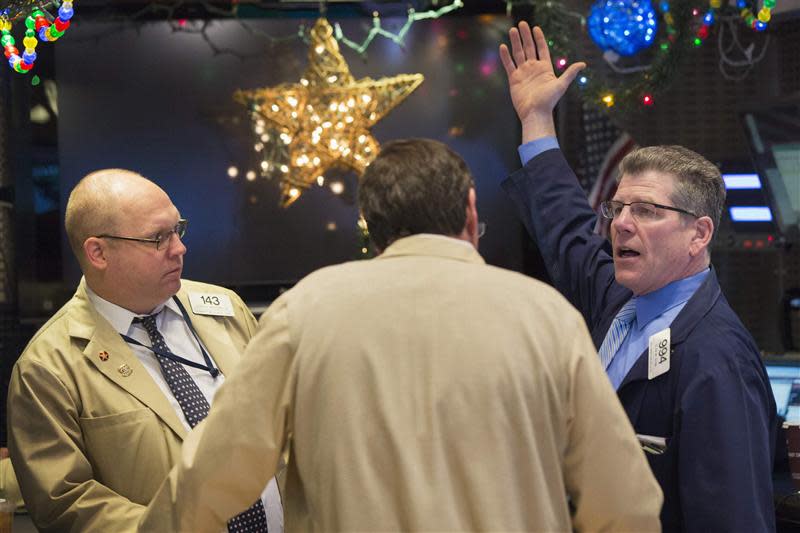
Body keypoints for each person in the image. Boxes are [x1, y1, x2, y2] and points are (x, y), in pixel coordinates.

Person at [137, 138, 662, 532]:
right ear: (471, 210)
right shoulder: (547, 316)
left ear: (371, 225)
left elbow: (209, 479)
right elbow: (624, 503)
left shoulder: (302, 313)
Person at [499, 21, 777, 531]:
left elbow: (732, 518)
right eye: (618, 207)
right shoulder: (619, 297)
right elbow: (566, 224)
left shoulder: (715, 360)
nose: (621, 223)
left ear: (699, 234)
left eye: (646, 210)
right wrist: (537, 118)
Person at [6, 169, 283, 533]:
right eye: (158, 238)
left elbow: (285, 421)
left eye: (177, 229)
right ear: (98, 252)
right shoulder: (47, 368)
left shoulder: (226, 308)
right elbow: (65, 503)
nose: (180, 248)